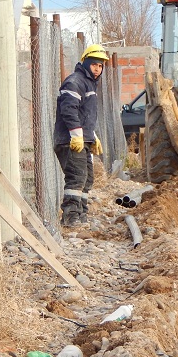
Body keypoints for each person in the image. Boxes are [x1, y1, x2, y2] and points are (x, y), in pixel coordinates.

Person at [53, 44, 107, 226]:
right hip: (70, 140)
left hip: (82, 139)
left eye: (100, 66)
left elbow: (85, 114)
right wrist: (76, 135)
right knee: (76, 177)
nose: (98, 69)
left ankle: (81, 215)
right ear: (85, 63)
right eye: (94, 65)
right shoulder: (75, 81)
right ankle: (70, 218)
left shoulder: (89, 83)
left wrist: (92, 135)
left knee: (87, 178)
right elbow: (69, 110)